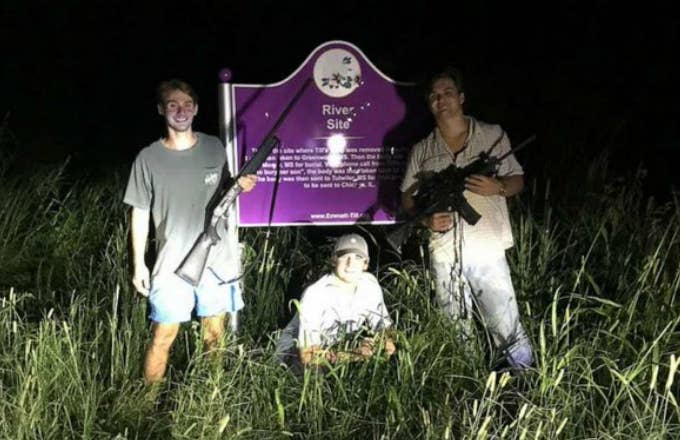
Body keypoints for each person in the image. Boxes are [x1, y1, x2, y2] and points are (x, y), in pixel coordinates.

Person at [124, 79, 257, 383]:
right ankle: (146, 405)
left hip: (216, 261)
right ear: (161, 110)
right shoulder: (147, 159)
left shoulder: (214, 147)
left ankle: (211, 398)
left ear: (196, 109)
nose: (180, 110)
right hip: (171, 265)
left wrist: (241, 185)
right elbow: (140, 213)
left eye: (186, 104)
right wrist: (139, 264)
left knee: (214, 334)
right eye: (172, 104)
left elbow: (225, 192)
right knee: (162, 336)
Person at [400, 67, 533, 370]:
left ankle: (525, 382)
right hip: (444, 252)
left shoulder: (492, 134)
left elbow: (517, 179)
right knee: (454, 328)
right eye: (434, 95)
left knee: (506, 322)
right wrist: (425, 221)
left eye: (447, 92)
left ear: (461, 98)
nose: (441, 99)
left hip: (486, 247)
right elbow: (407, 198)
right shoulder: (422, 150)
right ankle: (467, 385)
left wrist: (497, 187)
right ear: (429, 103)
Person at [276, 233, 396, 372]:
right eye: (344, 256)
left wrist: (380, 343)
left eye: (358, 258)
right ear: (333, 260)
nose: (350, 264)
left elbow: (385, 328)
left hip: (337, 349)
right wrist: (356, 354)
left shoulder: (369, 284)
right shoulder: (316, 293)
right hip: (295, 353)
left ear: (365, 264)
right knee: (313, 372)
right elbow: (307, 356)